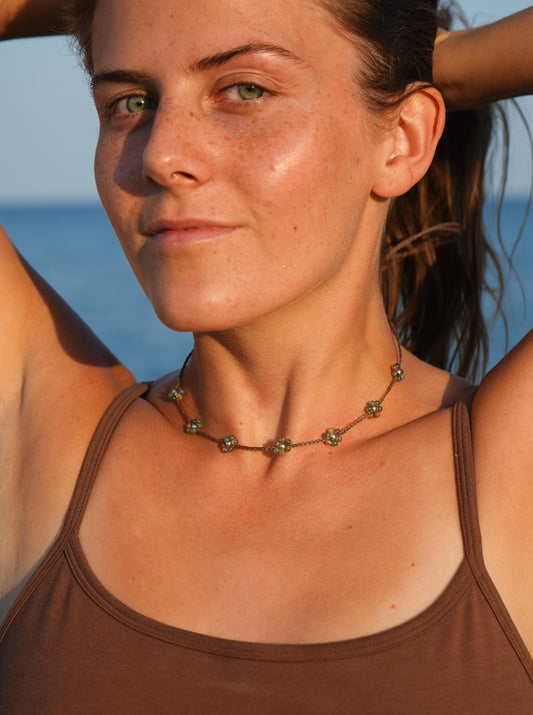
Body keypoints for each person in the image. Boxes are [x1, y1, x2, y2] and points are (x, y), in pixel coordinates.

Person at [0, 0, 532, 711]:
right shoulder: (43, 440)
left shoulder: (508, 470)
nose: (160, 155)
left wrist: (449, 67)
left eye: (244, 89)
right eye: (129, 102)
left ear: (404, 139)